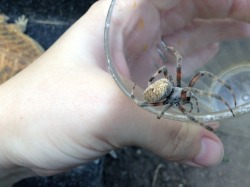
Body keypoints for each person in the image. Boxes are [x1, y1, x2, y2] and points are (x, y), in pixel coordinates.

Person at [1, 0, 250, 186]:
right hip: (160, 93)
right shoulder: (172, 98)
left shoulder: (175, 90)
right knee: (197, 84)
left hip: (161, 90)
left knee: (200, 79)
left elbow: (169, 71)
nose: (186, 96)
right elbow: (166, 96)